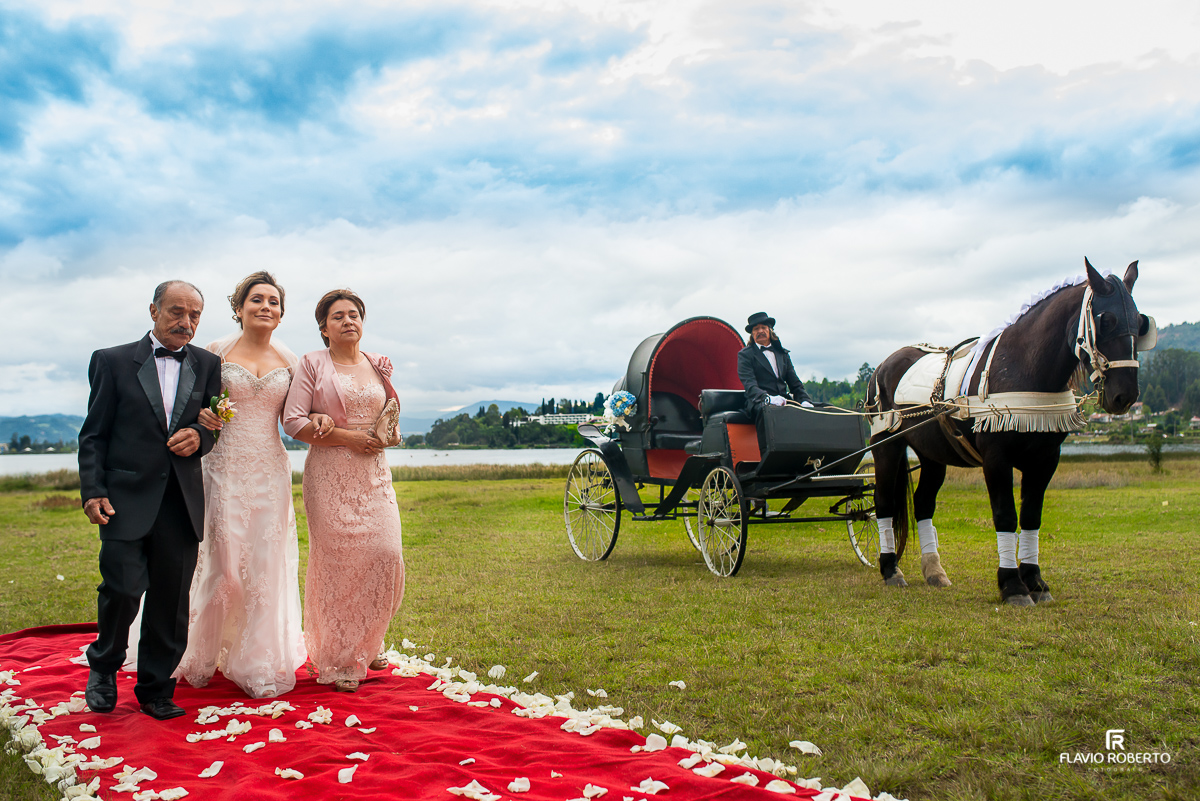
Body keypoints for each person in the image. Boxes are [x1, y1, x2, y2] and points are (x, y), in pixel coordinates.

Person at [78, 281, 222, 721]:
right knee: (121, 589)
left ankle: (157, 689)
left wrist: (199, 435)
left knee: (171, 599)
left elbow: (213, 424)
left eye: (195, 315)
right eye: (177, 312)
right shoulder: (112, 360)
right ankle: (104, 665)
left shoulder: (209, 363)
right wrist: (94, 490)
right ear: (154, 311)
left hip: (181, 501)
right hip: (123, 499)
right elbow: (94, 433)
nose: (187, 322)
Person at [173, 271, 308, 698]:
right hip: (222, 466)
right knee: (220, 562)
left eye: (273, 302)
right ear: (239, 307)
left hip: (270, 469)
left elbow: (302, 413)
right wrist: (203, 420)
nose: (266, 307)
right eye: (257, 300)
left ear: (281, 314)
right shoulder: (213, 352)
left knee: (265, 564)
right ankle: (198, 650)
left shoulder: (293, 361)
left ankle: (256, 657)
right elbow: (188, 406)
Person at [282, 289, 404, 693]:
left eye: (355, 314)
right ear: (324, 328)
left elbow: (389, 413)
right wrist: (345, 437)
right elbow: (294, 422)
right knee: (338, 565)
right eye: (338, 316)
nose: (349, 321)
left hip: (374, 476)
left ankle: (369, 639)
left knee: (385, 555)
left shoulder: (377, 364)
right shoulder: (312, 364)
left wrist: (387, 433)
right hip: (330, 475)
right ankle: (339, 658)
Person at [737, 312, 814, 446]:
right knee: (766, 410)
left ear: (769, 330)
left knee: (820, 408)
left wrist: (805, 400)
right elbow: (750, 385)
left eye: (763, 327)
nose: (760, 331)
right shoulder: (745, 355)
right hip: (758, 402)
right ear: (752, 334)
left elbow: (795, 384)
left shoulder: (782, 354)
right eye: (756, 329)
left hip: (784, 399)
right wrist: (768, 398)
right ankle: (766, 452)